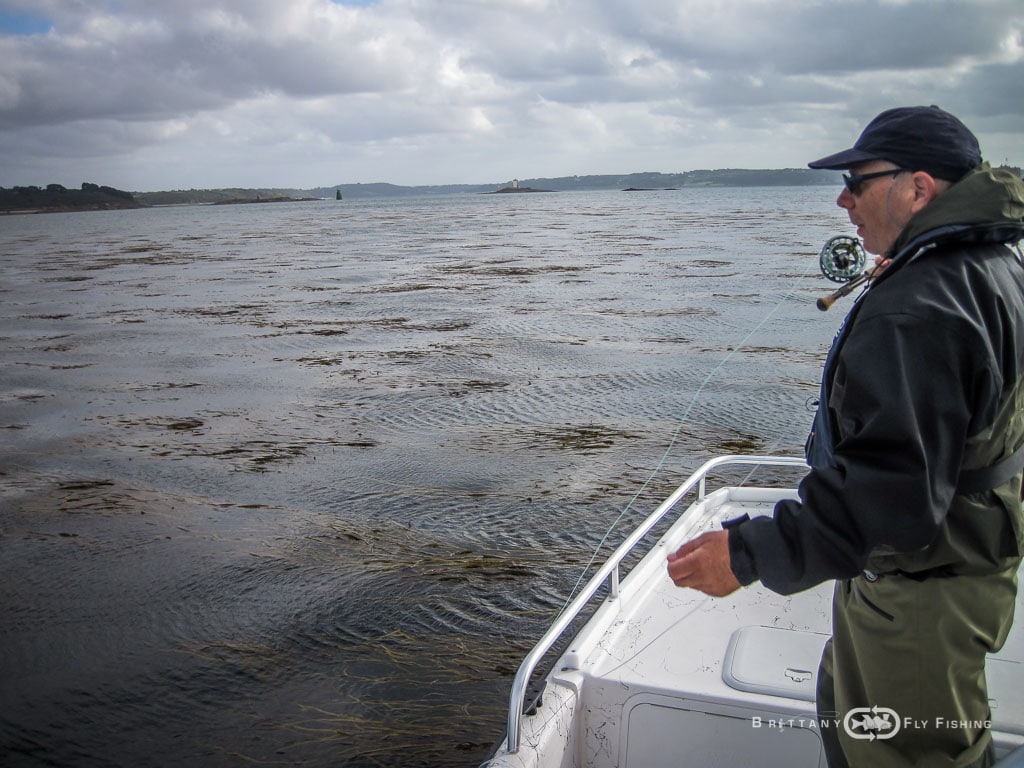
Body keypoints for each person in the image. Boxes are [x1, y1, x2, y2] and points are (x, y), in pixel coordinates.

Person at [666, 106, 1024, 767]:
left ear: (917, 188)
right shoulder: (990, 264)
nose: (843, 199)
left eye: (859, 182)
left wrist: (745, 553)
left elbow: (891, 494)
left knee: (905, 752)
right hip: (966, 561)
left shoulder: (920, 306)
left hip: (922, 585)